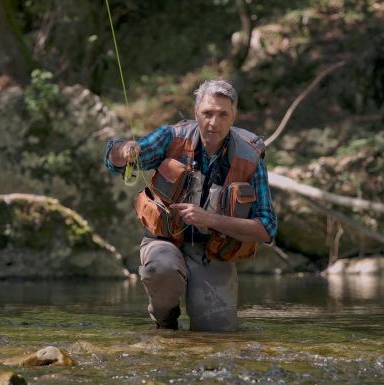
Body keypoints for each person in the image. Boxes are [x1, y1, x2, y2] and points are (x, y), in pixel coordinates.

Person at [104, 79, 277, 331]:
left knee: (217, 334)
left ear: (233, 117)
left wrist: (210, 219)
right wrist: (123, 151)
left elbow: (266, 228)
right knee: (161, 268)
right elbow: (115, 160)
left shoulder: (249, 157)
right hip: (163, 241)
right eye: (207, 113)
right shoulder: (171, 137)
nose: (213, 122)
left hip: (213, 251)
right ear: (196, 112)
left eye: (222, 114)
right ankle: (165, 321)